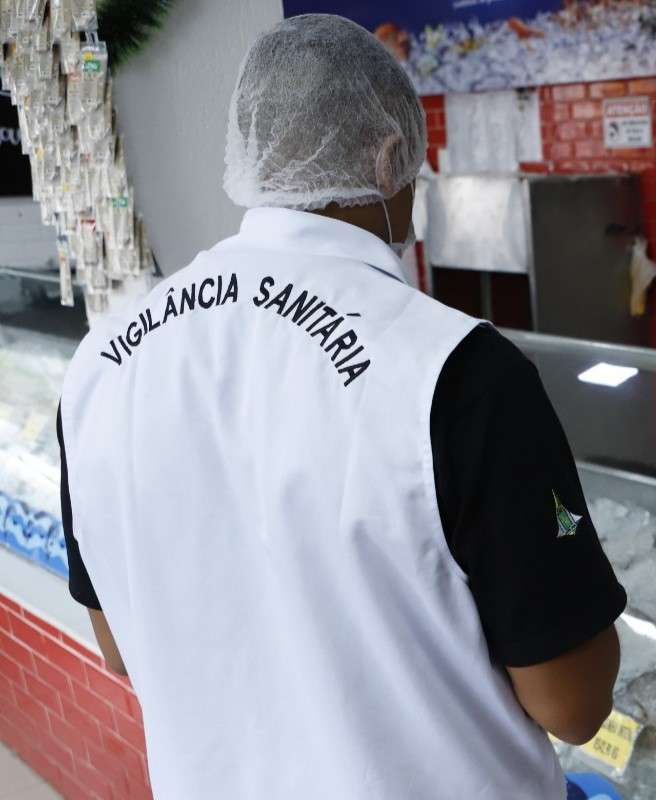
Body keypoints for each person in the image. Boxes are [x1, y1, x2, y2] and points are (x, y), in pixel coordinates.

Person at [55, 14, 625, 799]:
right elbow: (574, 705)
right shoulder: (456, 370)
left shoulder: (100, 364)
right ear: (392, 159)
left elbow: (119, 642)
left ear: (249, 154)